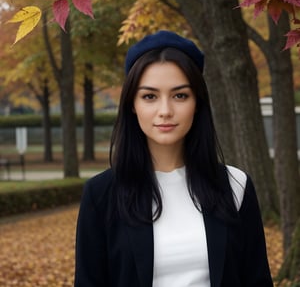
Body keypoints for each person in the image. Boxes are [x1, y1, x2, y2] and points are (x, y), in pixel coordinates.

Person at [74, 30, 273, 287]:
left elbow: (257, 281)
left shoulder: (236, 185)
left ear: (197, 102)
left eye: (180, 95)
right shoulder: (101, 194)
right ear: (132, 105)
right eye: (150, 96)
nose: (165, 111)